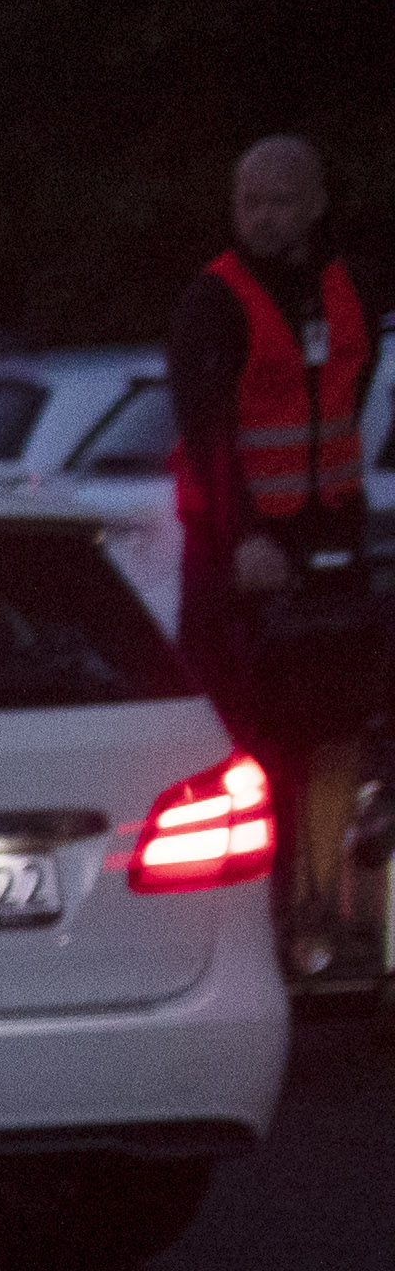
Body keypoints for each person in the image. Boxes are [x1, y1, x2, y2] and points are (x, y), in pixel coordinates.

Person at [166, 135, 378, 988]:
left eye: (280, 200)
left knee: (332, 733)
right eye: (249, 201)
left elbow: (350, 394)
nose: (262, 216)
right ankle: (245, 922)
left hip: (330, 542)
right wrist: (243, 536)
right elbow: (207, 432)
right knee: (244, 737)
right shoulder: (214, 301)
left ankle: (319, 908)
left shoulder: (351, 287)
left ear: (317, 202)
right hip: (239, 559)